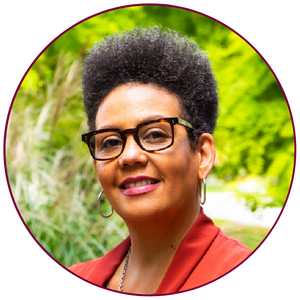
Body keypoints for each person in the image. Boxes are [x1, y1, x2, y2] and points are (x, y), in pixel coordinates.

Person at [69, 26, 252, 295]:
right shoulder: (76, 279)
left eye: (155, 134)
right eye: (110, 141)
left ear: (202, 155)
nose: (129, 156)